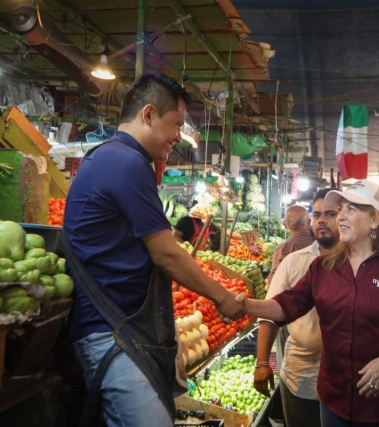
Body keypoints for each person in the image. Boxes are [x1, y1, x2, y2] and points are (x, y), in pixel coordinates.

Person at [63, 73, 243, 427]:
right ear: (148, 115)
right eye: (176, 124)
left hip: (121, 329)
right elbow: (165, 253)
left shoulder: (113, 158)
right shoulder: (126, 162)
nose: (179, 136)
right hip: (112, 331)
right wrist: (222, 297)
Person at [237, 180, 379, 427]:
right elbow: (287, 304)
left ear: (374, 220)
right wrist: (246, 305)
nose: (340, 216)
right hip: (333, 402)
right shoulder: (323, 266)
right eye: (340, 209)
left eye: (351, 209)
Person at [254, 188, 340, 427]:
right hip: (302, 377)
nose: (321, 220)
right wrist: (262, 363)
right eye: (317, 214)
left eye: (330, 214)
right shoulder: (294, 261)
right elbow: (272, 313)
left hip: (346, 382)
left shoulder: (358, 263)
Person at [266, 204, 315, 284]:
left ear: (285, 225)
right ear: (309, 222)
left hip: (293, 293)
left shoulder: (282, 249)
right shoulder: (319, 239)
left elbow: (273, 280)